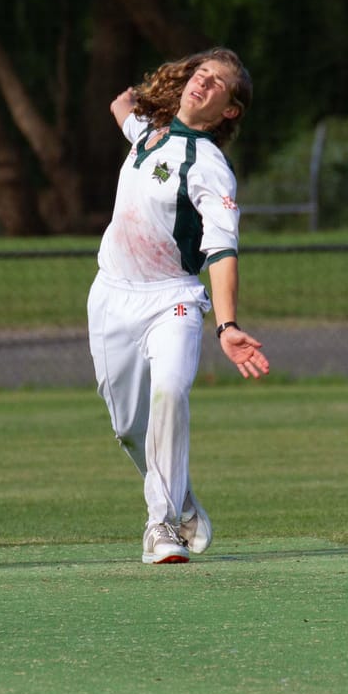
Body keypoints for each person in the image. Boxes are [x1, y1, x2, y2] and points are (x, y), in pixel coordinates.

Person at [89, 48, 270, 563]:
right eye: (201, 74)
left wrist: (228, 323)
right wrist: (135, 100)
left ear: (229, 111)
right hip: (111, 294)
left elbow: (223, 250)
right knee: (128, 428)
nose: (204, 85)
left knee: (169, 390)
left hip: (174, 297)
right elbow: (121, 107)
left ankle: (161, 526)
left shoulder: (210, 166)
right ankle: (181, 499)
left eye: (218, 86)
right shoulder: (148, 130)